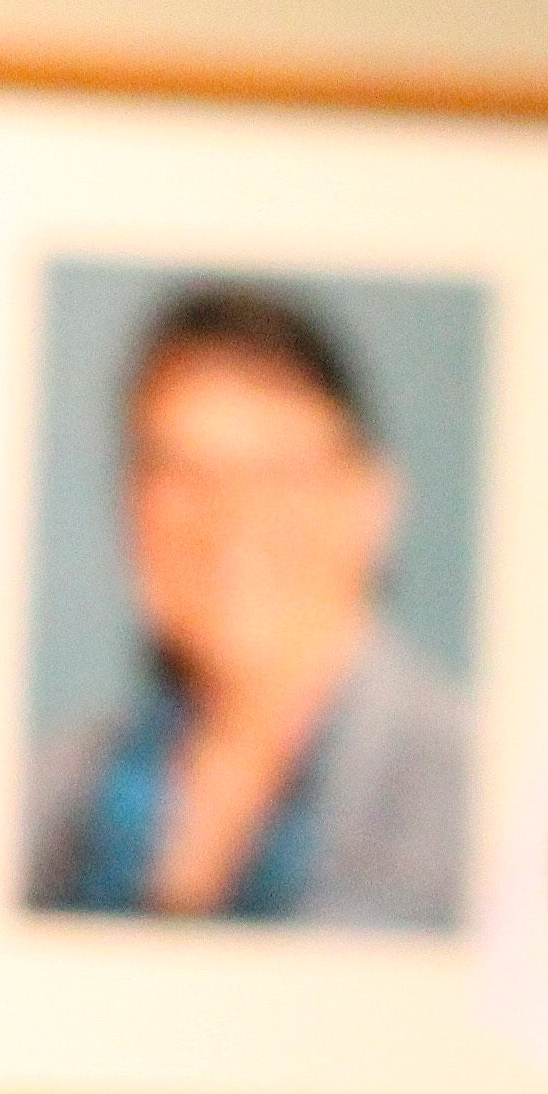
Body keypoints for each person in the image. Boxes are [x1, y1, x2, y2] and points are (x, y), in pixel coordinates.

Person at [27, 280, 470, 930]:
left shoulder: (474, 798)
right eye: (181, 473)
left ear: (372, 501)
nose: (228, 519)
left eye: (277, 473)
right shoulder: (48, 797)